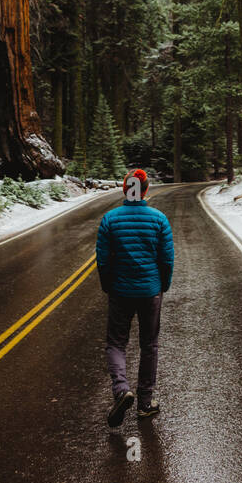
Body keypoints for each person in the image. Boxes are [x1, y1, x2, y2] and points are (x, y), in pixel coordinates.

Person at [95, 168, 174, 427]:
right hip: (150, 292)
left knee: (116, 343)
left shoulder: (110, 219)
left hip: (120, 292)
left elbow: (103, 260)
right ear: (146, 189)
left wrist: (108, 285)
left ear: (124, 190)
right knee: (149, 345)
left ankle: (121, 390)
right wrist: (162, 284)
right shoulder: (159, 219)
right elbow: (166, 259)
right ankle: (144, 404)